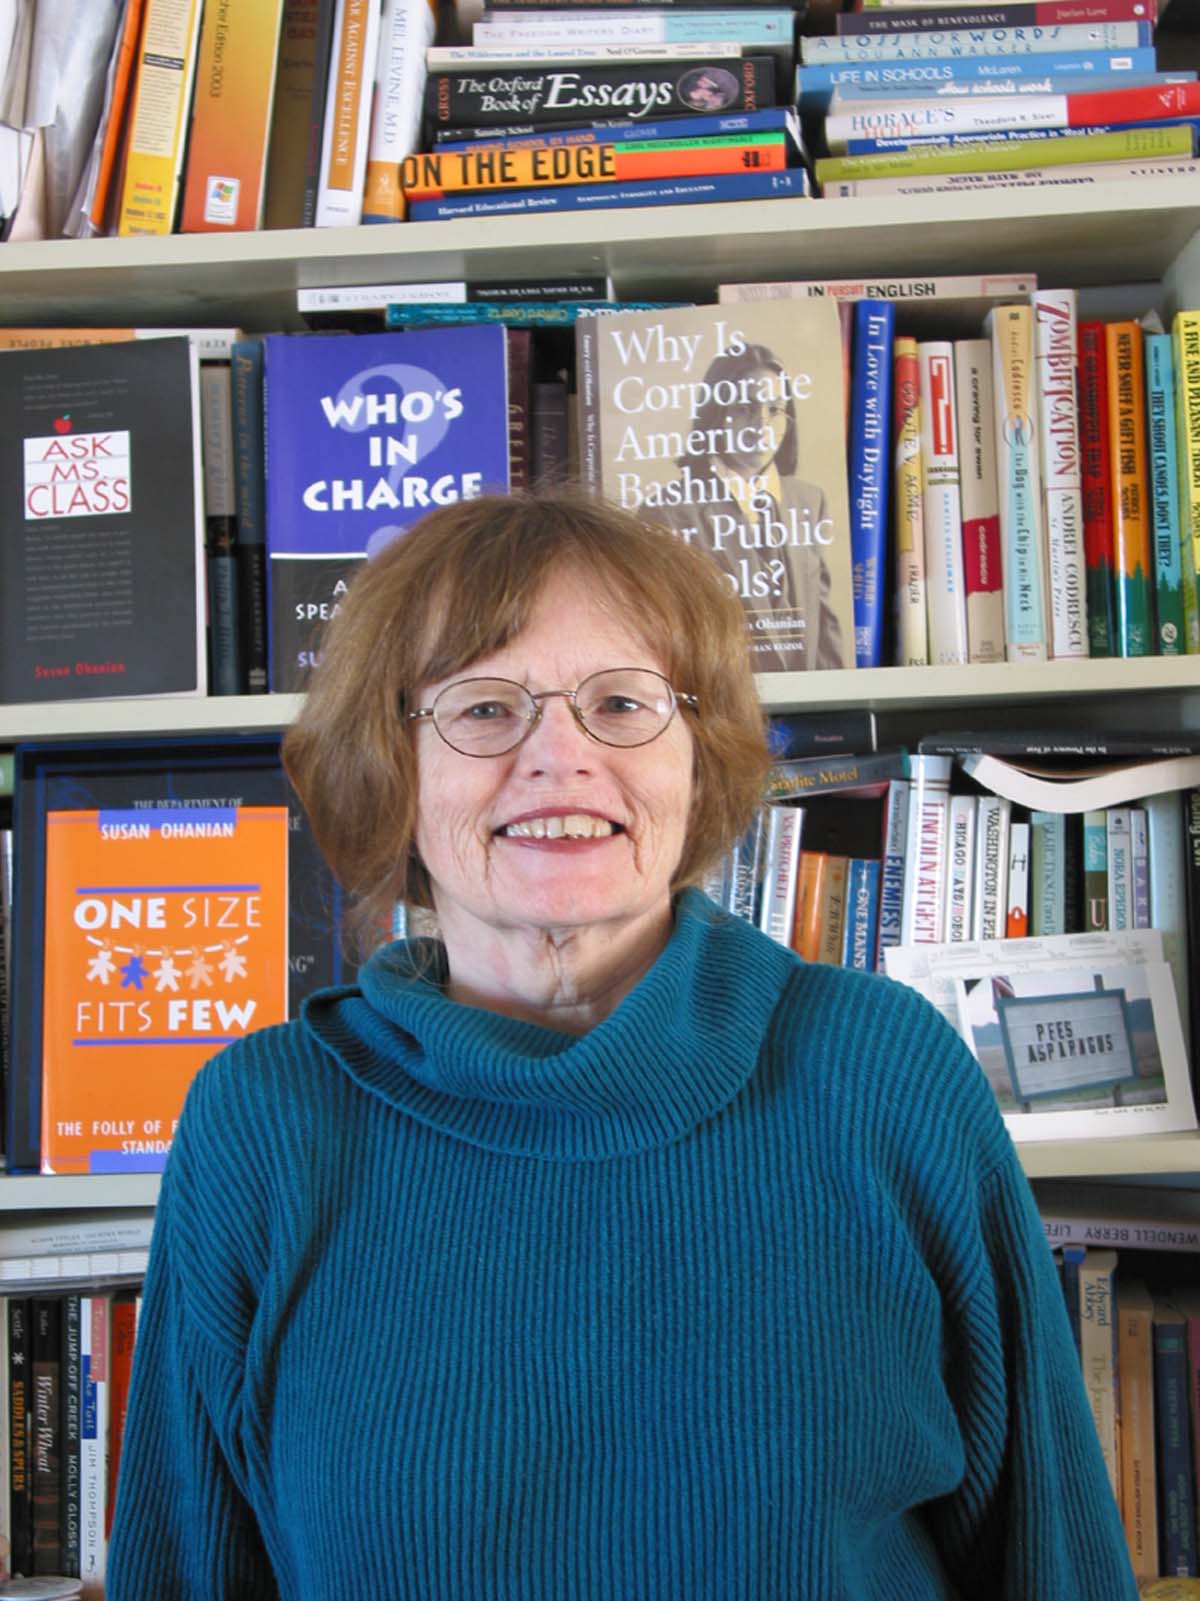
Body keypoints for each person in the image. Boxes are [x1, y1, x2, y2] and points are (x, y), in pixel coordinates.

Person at [107, 490, 1136, 1600]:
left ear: (700, 755)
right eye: (485, 708)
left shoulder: (885, 1072)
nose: (562, 757)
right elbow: (186, 1571)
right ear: (388, 765)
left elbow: (1052, 1556)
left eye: (622, 702)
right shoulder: (260, 1123)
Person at [655, 341, 846, 674]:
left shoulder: (810, 501)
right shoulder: (668, 511)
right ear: (715, 416)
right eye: (745, 408)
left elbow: (825, 628)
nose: (762, 424)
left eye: (775, 410)